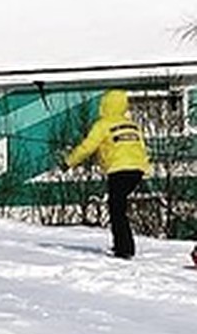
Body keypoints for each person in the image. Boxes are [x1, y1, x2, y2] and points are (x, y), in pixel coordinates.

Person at [64, 88, 153, 259]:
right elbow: (142, 148)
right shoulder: (133, 126)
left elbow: (87, 147)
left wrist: (69, 162)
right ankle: (124, 246)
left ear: (104, 105)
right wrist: (146, 170)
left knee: (116, 209)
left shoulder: (102, 125)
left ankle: (124, 249)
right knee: (119, 207)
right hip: (137, 171)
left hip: (118, 170)